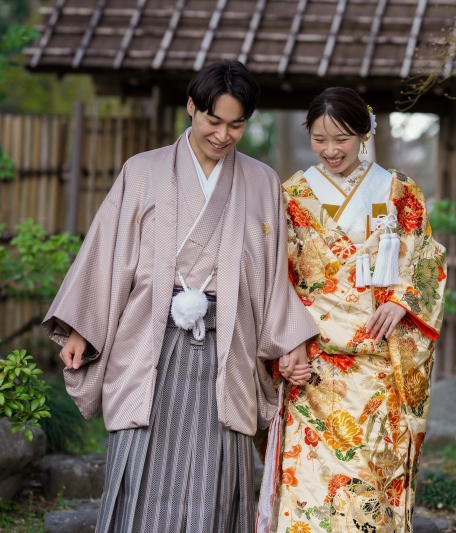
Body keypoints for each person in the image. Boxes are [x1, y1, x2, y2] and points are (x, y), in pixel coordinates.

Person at [42, 60, 318, 533]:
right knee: (141, 458)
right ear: (191, 106)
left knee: (215, 468)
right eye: (213, 120)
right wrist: (82, 329)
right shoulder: (143, 171)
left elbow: (272, 272)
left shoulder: (261, 181)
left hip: (226, 343)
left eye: (236, 124)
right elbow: (109, 252)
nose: (223, 135)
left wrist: (290, 338)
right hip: (149, 337)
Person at [257, 87, 447, 533]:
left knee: (370, 475)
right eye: (319, 139)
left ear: (364, 132)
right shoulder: (292, 194)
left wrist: (402, 301)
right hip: (314, 358)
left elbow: (426, 257)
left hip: (378, 358)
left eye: (340, 138)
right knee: (306, 480)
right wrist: (286, 343)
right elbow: (276, 276)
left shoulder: (398, 189)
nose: (329, 150)